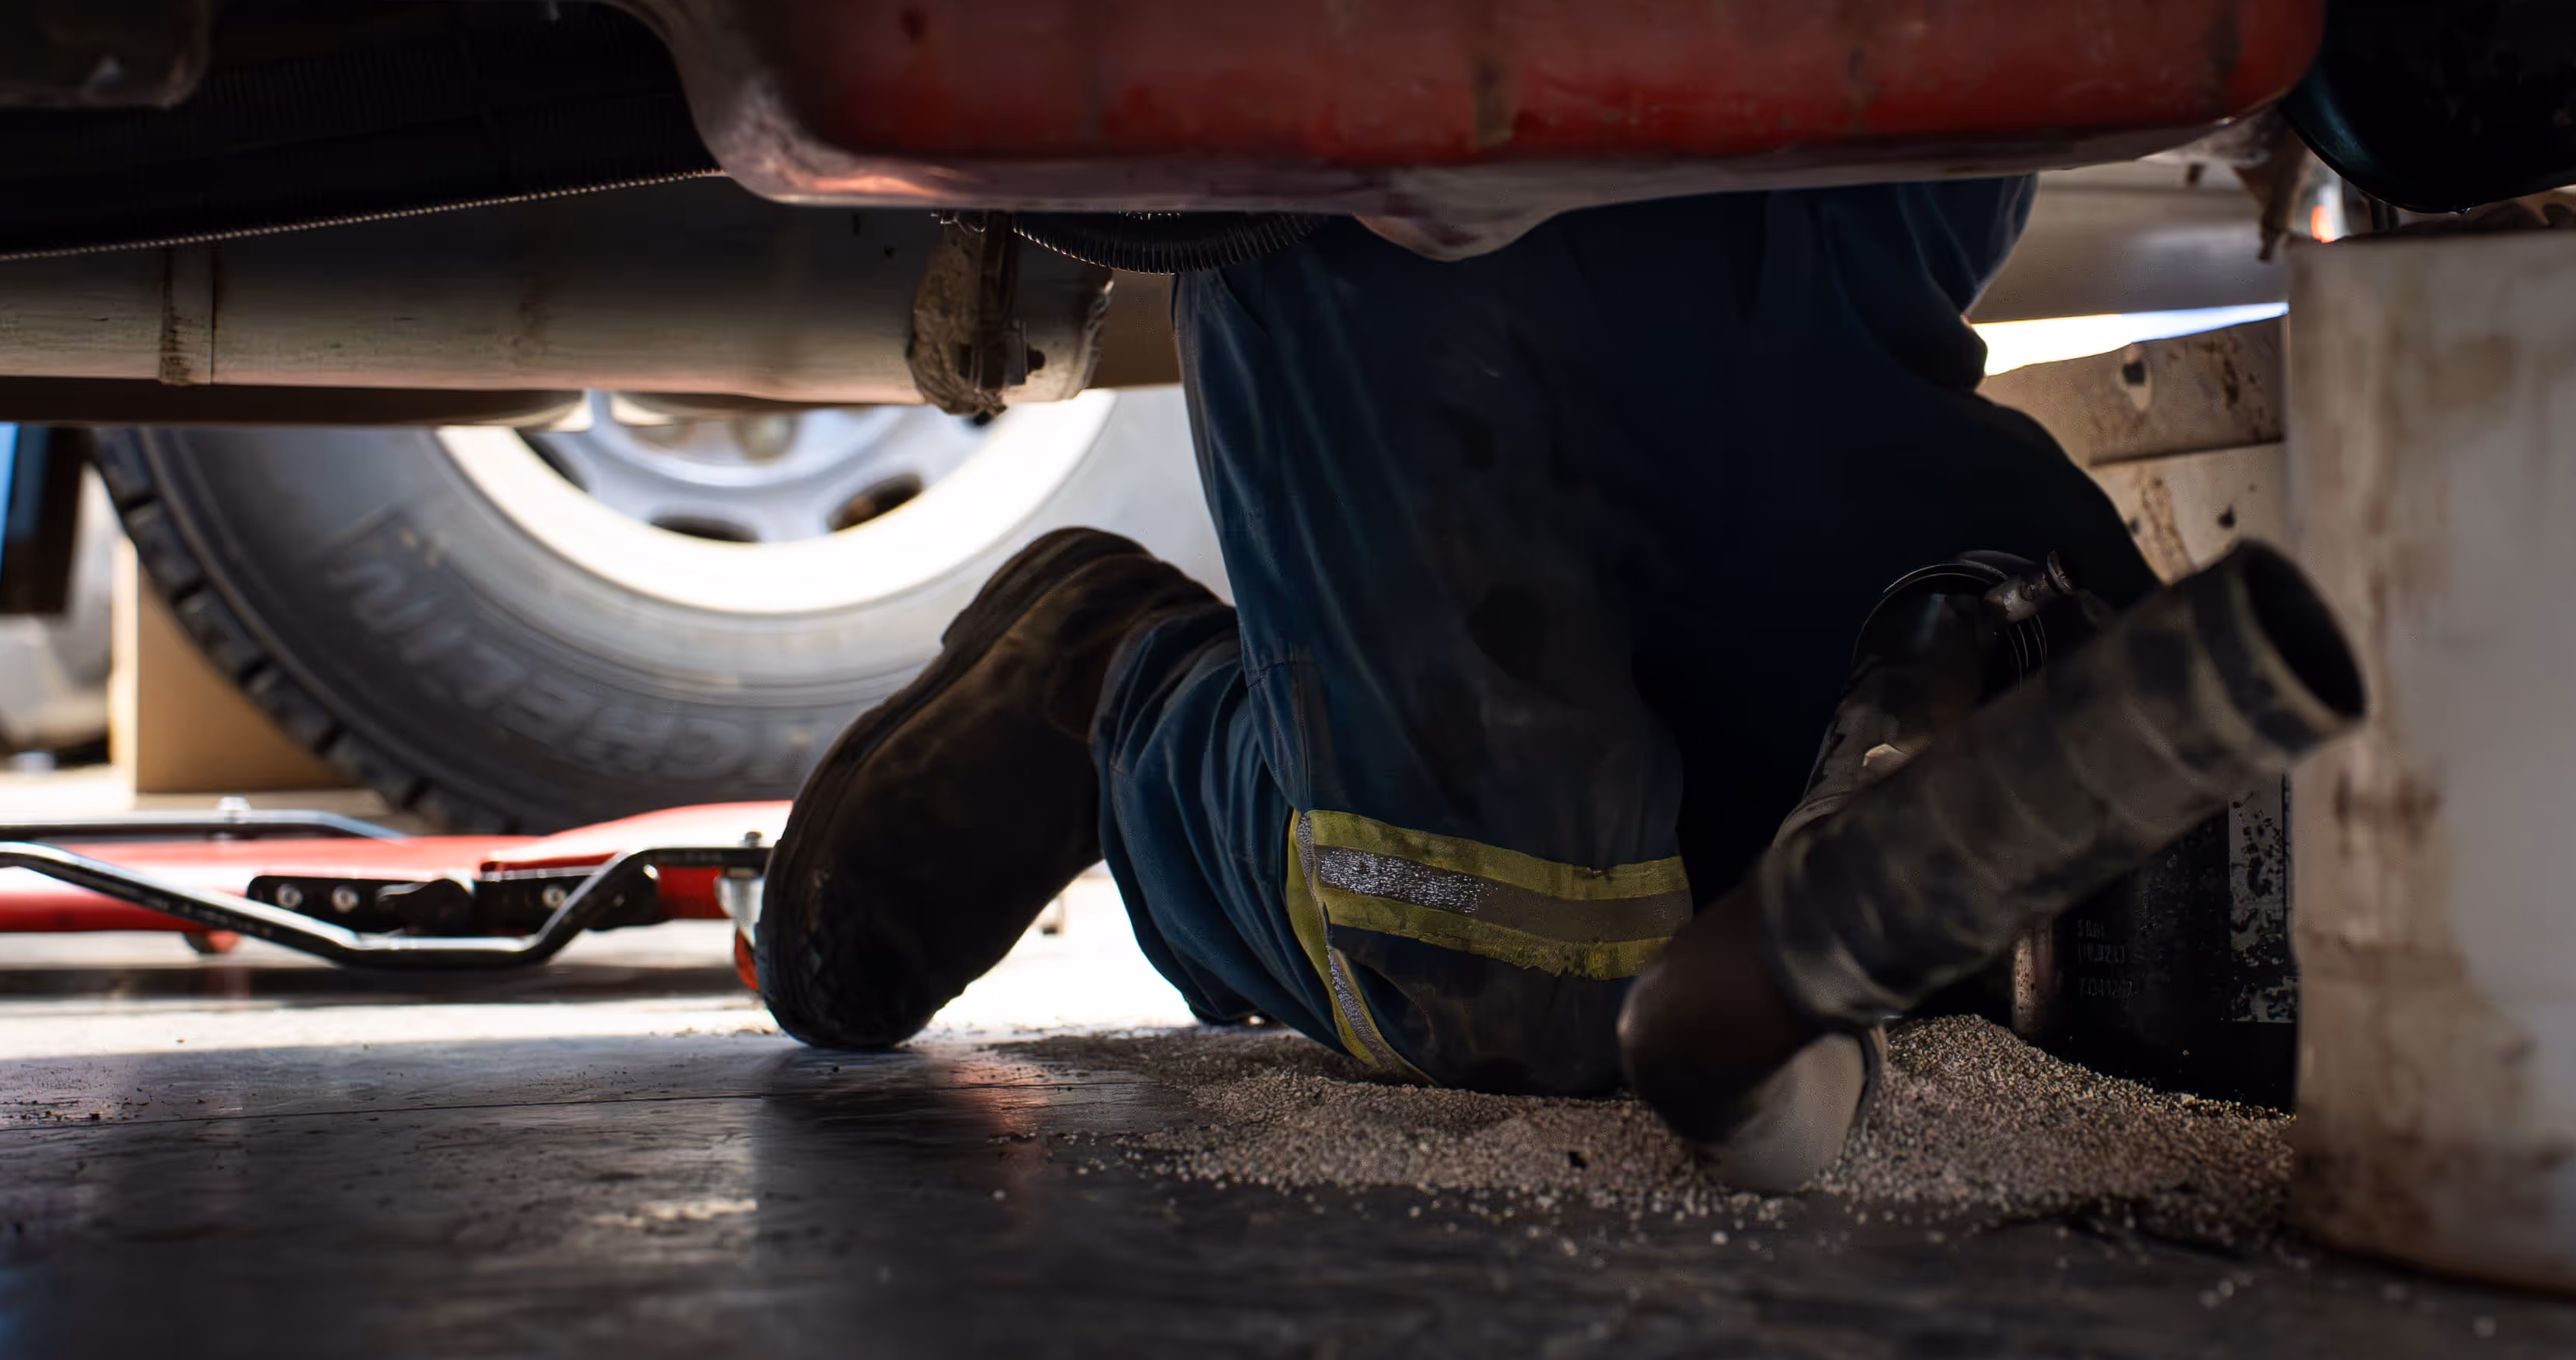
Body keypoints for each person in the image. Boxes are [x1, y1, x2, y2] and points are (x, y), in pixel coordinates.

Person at [755, 179, 2154, 1117]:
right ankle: (1115, 703)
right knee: (1513, 971)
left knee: (1994, 907)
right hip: (1407, 235)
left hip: (1829, 221)